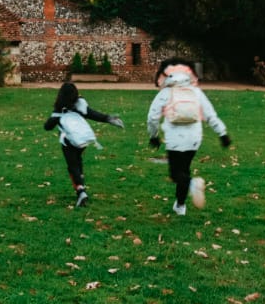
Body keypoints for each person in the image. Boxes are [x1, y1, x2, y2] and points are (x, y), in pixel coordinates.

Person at [146, 58, 231, 216]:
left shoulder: (166, 92)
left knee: (176, 174)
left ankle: (192, 184)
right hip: (194, 138)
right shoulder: (196, 92)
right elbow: (210, 114)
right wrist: (222, 133)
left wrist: (153, 135)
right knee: (184, 170)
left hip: (174, 139)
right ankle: (180, 206)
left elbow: (152, 117)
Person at [44, 82, 125, 208]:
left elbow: (47, 127)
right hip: (82, 140)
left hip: (68, 141)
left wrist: (55, 117)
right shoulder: (80, 104)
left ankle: (81, 190)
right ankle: (80, 187)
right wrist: (110, 119)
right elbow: (94, 114)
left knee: (72, 166)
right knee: (78, 162)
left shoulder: (59, 110)